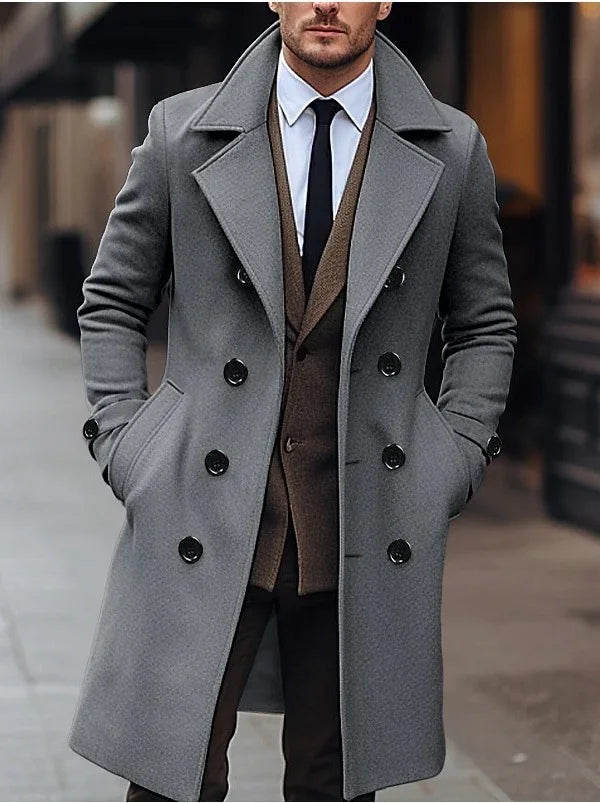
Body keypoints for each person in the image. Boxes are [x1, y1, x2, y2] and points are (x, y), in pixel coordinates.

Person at [68, 3, 518, 802]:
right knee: (171, 780)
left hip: (361, 521)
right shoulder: (181, 132)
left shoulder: (452, 149)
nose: (325, 5)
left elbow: (484, 324)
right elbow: (111, 302)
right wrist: (129, 448)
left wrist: (450, 461)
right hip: (202, 514)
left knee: (333, 782)